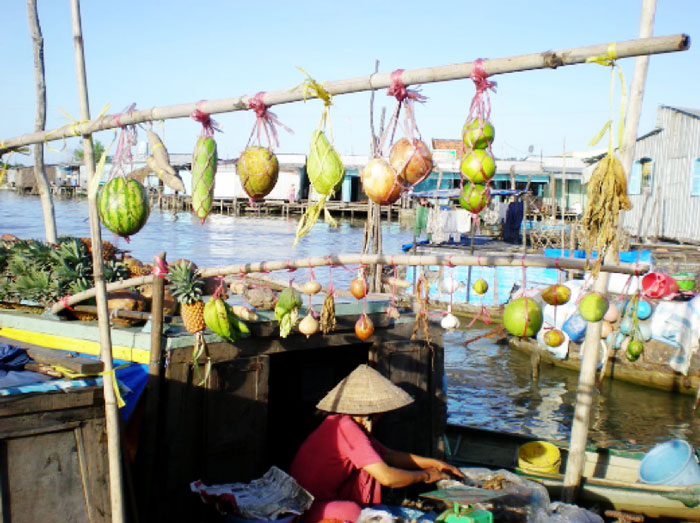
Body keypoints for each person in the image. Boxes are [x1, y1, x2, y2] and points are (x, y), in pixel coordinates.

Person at [289, 364, 464, 523]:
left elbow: (389, 455)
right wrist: (426, 476)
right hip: (309, 508)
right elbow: (387, 477)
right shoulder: (347, 429)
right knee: (354, 511)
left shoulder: (342, 421)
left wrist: (436, 464)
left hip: (316, 499)